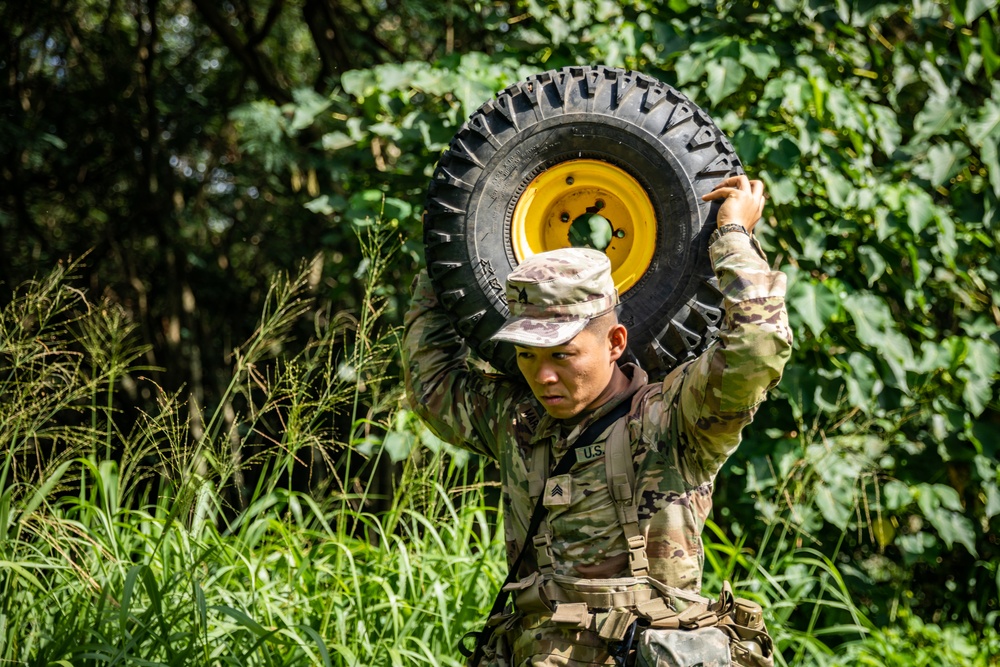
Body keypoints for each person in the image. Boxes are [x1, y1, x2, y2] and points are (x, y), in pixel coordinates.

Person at [403, 175, 792, 666]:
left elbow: (757, 347)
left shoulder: (671, 422)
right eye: (527, 355)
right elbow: (432, 382)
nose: (542, 376)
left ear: (614, 343)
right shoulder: (518, 422)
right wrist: (446, 246)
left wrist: (733, 235)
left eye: (562, 356)